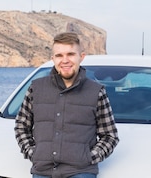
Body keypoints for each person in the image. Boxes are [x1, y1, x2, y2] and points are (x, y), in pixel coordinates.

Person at [15, 32, 119, 178]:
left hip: (80, 172)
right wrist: (33, 153)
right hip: (42, 171)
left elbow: (110, 136)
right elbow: (21, 126)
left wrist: (89, 158)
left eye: (70, 54)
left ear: (81, 57)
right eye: (59, 55)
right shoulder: (35, 88)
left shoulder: (96, 92)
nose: (65, 60)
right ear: (53, 59)